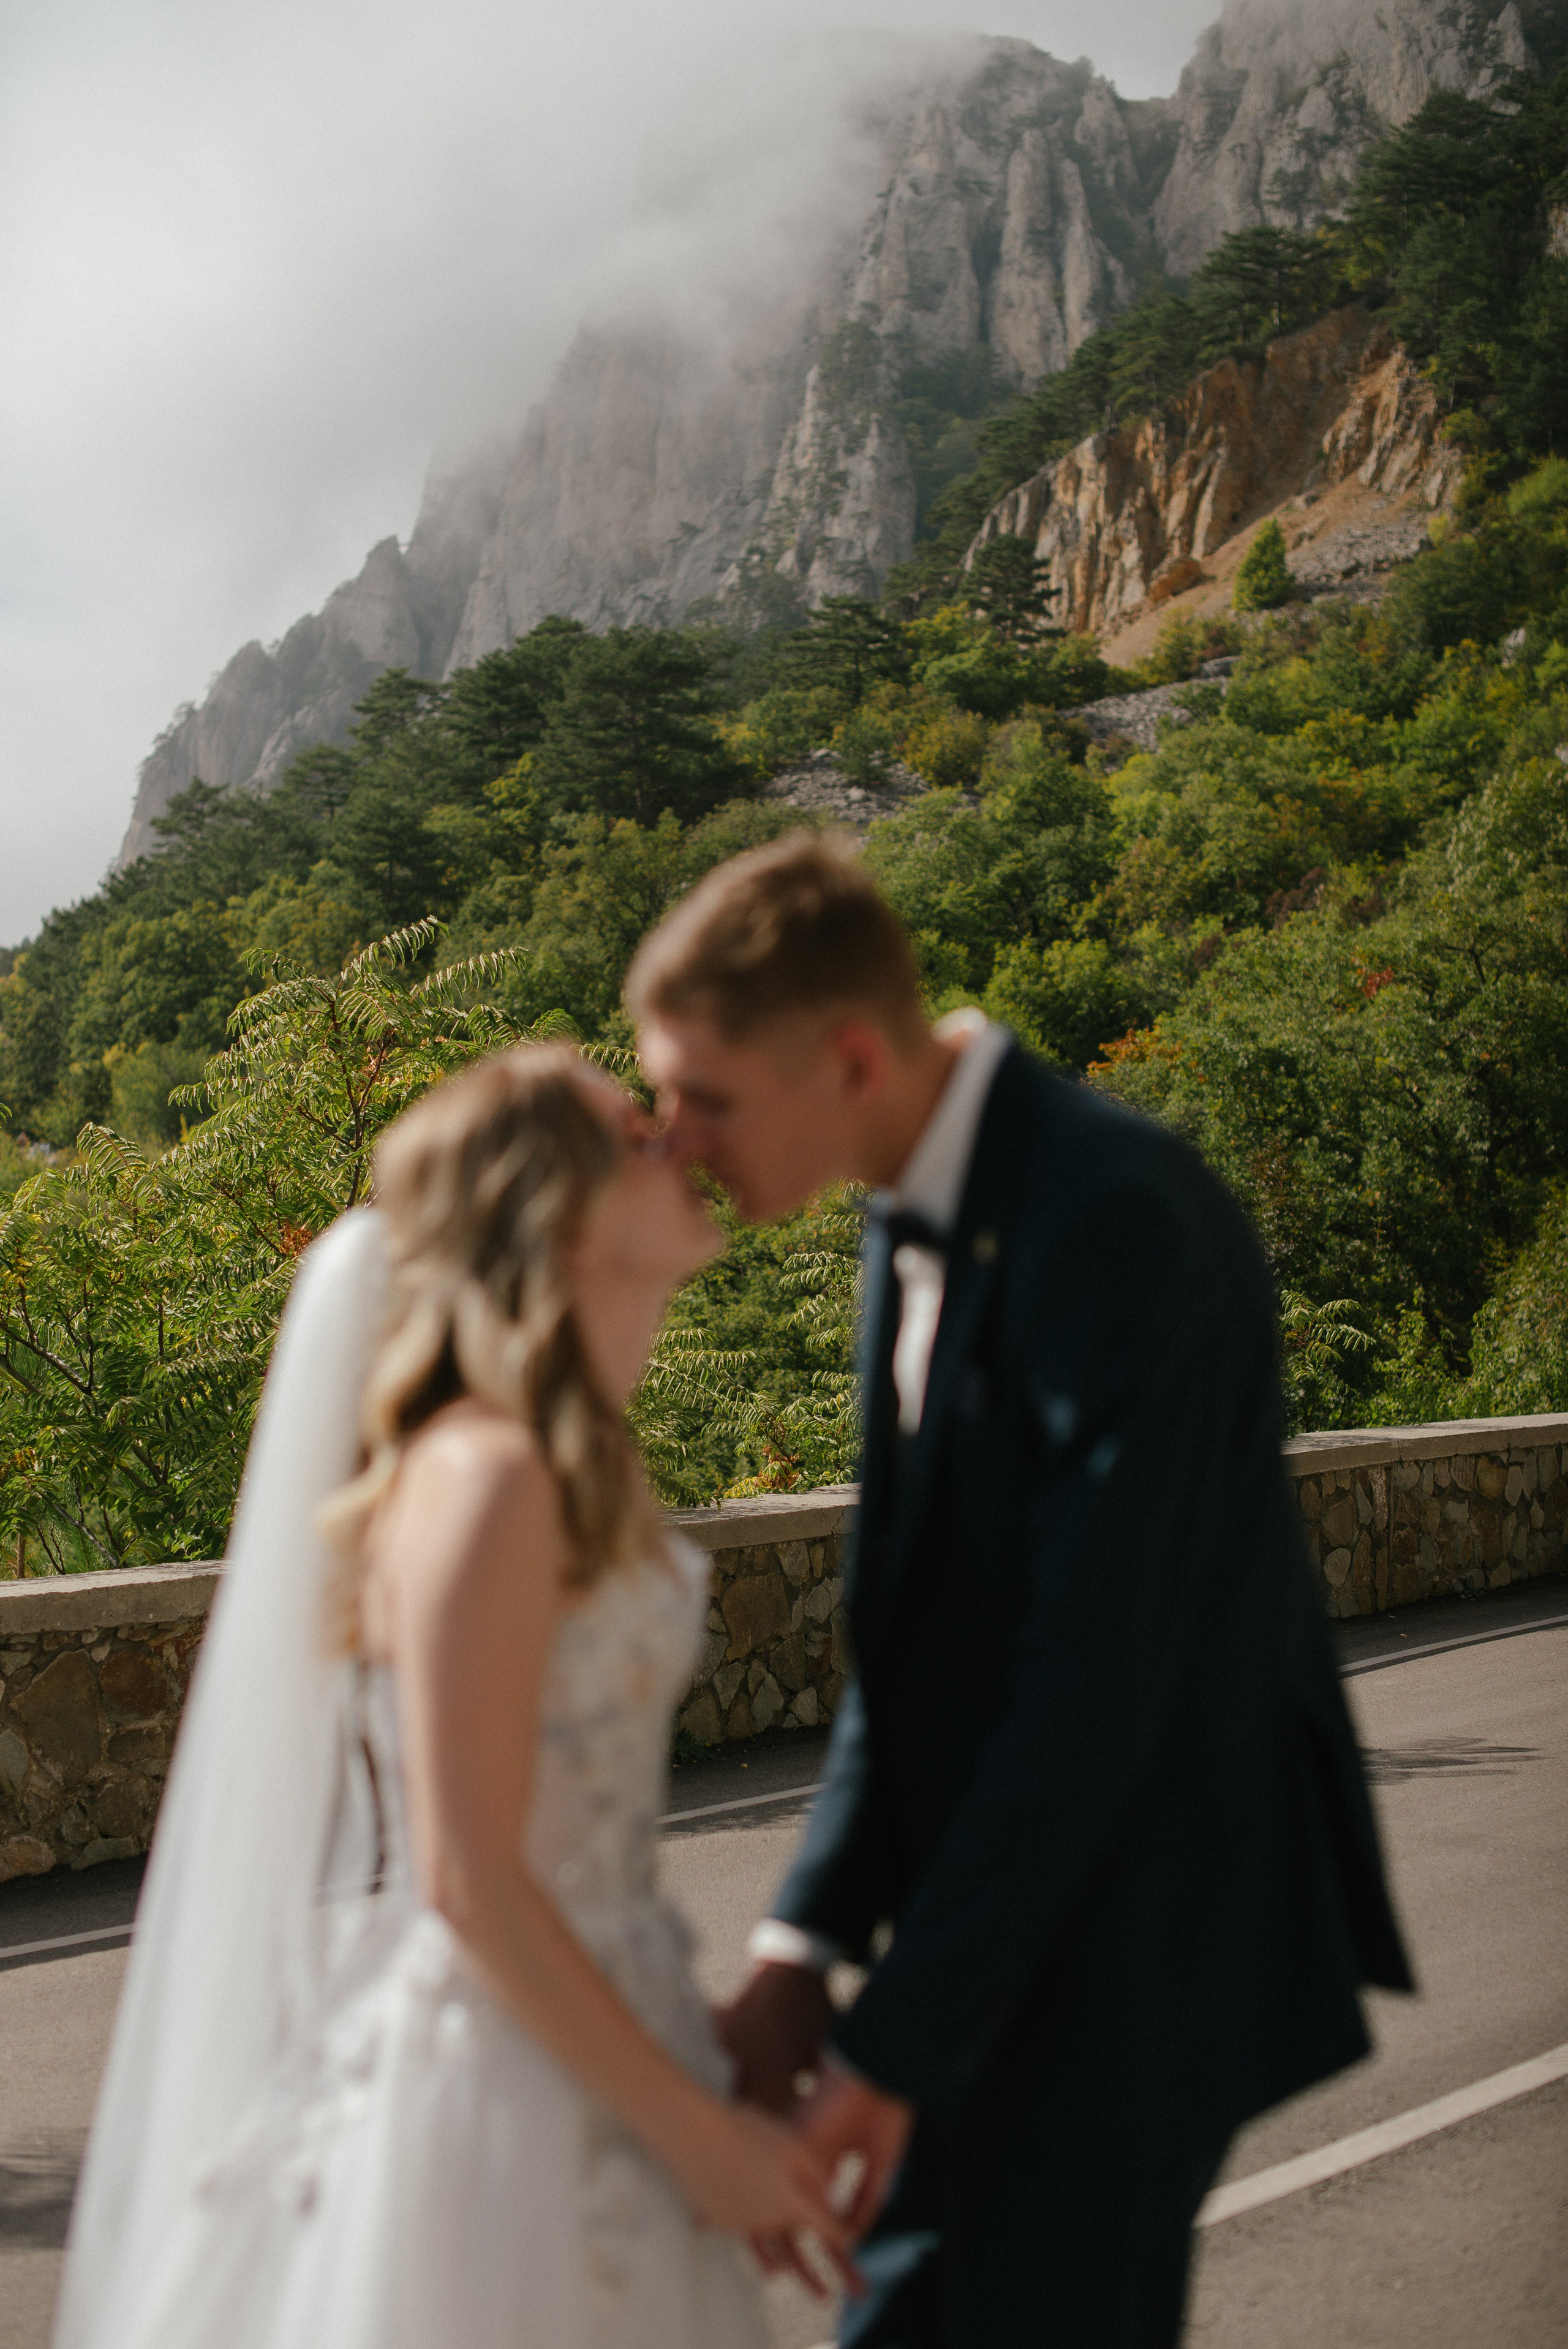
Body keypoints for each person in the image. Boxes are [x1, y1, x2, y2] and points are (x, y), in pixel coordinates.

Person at [628, 832, 1413, 2349]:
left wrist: (889, 2051)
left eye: (703, 1097)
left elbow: (1091, 1682)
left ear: (847, 1056)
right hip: (994, 1946)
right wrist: (802, 1947)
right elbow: (913, 1646)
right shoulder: (902, 1201)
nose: (677, 1141)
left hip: (1137, 1955)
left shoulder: (1117, 1215)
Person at [54, 1045, 853, 2349]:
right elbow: (466, 1878)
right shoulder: (485, 1478)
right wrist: (700, 2139)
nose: (677, 1140)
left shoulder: (571, 1464)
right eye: (632, 1134)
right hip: (499, 2114)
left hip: (590, 2050)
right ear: (555, 1209)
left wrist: (686, 2063)